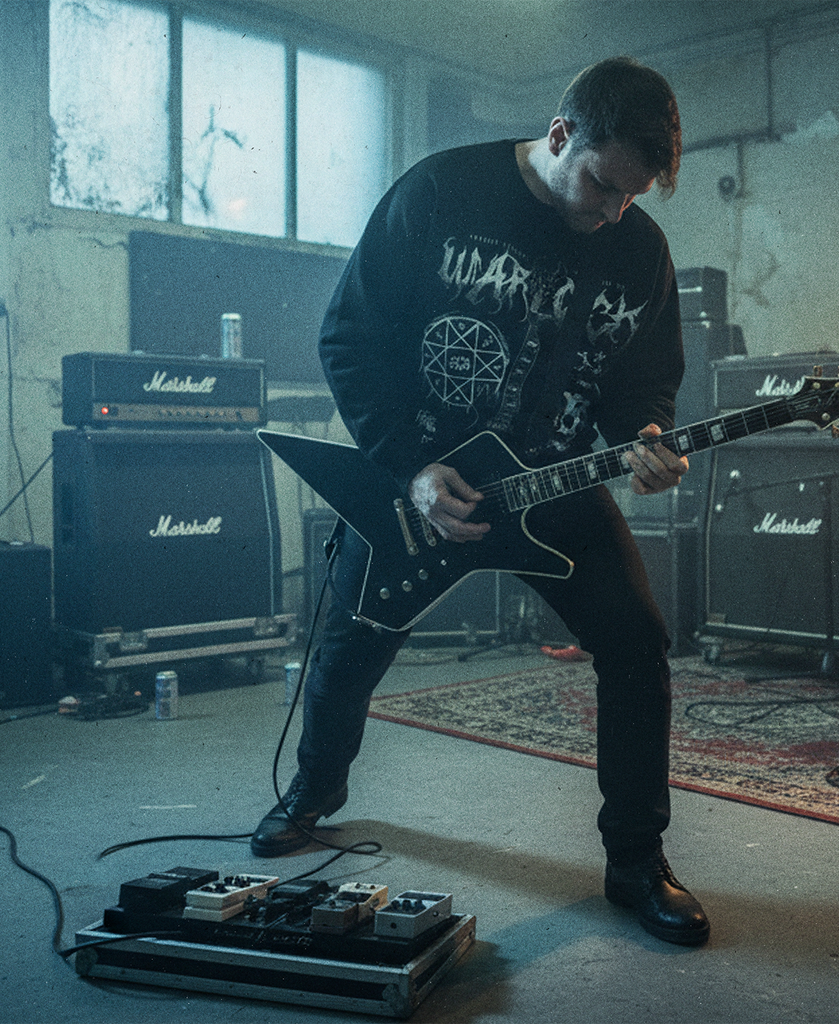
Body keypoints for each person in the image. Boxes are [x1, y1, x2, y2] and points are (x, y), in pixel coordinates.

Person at [251, 56, 709, 947]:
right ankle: (314, 790)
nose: (611, 211)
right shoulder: (439, 192)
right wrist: (414, 466)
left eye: (632, 195)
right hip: (421, 485)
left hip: (556, 488)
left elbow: (646, 384)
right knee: (349, 644)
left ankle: (635, 861)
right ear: (561, 133)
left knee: (636, 641)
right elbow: (348, 338)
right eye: (602, 185)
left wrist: (649, 439)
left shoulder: (640, 249)